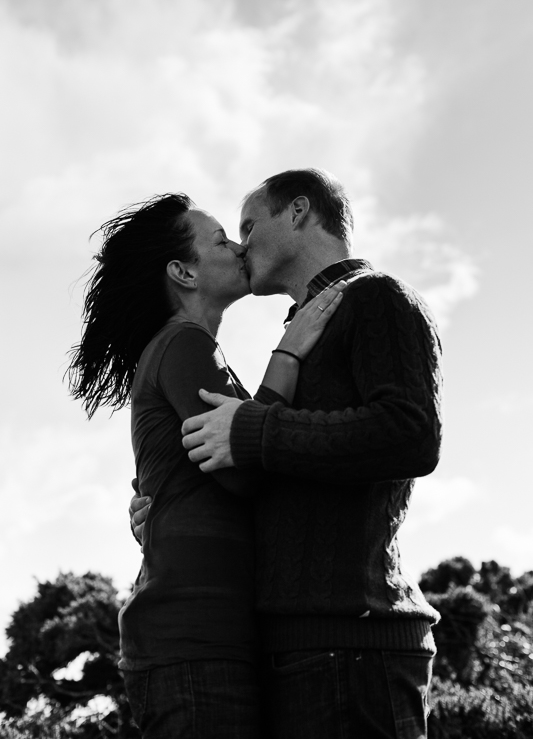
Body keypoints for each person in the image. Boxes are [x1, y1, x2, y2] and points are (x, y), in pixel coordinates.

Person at [167, 168, 443, 739]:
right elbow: (271, 476)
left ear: (297, 212)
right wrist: (167, 506)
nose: (241, 245)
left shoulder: (378, 298)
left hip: (354, 646)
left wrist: (256, 432)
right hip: (296, 650)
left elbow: (408, 433)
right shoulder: (305, 326)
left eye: (248, 225)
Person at [67, 192, 344, 739]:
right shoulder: (184, 344)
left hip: (208, 641)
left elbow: (212, 464)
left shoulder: (191, 351)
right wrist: (288, 354)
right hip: (195, 646)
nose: (240, 248)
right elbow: (243, 468)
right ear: (183, 273)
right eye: (220, 240)